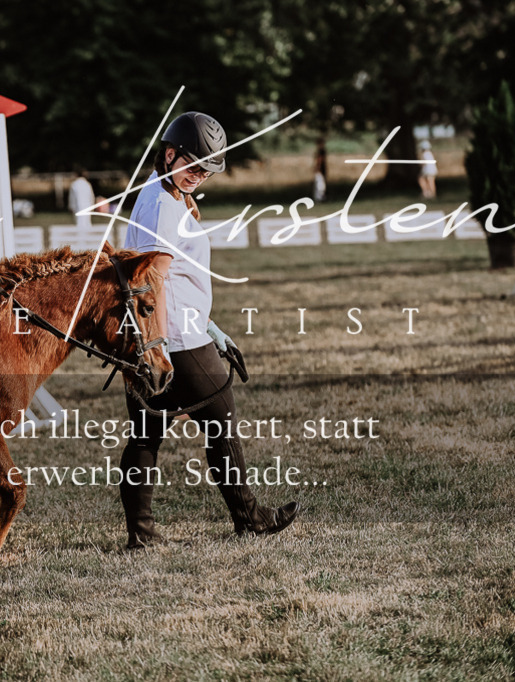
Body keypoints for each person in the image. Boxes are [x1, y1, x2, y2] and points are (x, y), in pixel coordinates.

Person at [120, 111, 299, 549]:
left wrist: (211, 325)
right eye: (193, 165)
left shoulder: (162, 190)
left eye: (207, 170)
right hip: (176, 337)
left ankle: (141, 534)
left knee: (146, 433)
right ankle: (250, 518)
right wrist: (161, 346)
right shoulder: (163, 206)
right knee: (221, 416)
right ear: (169, 154)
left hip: (168, 332)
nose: (199, 175)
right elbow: (153, 279)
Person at [313, 137, 328, 202]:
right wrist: (318, 168)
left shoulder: (321, 151)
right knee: (320, 184)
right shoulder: (321, 151)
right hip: (320, 169)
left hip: (321, 169)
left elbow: (319, 160)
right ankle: (320, 197)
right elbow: (319, 160)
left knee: (320, 183)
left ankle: (320, 197)